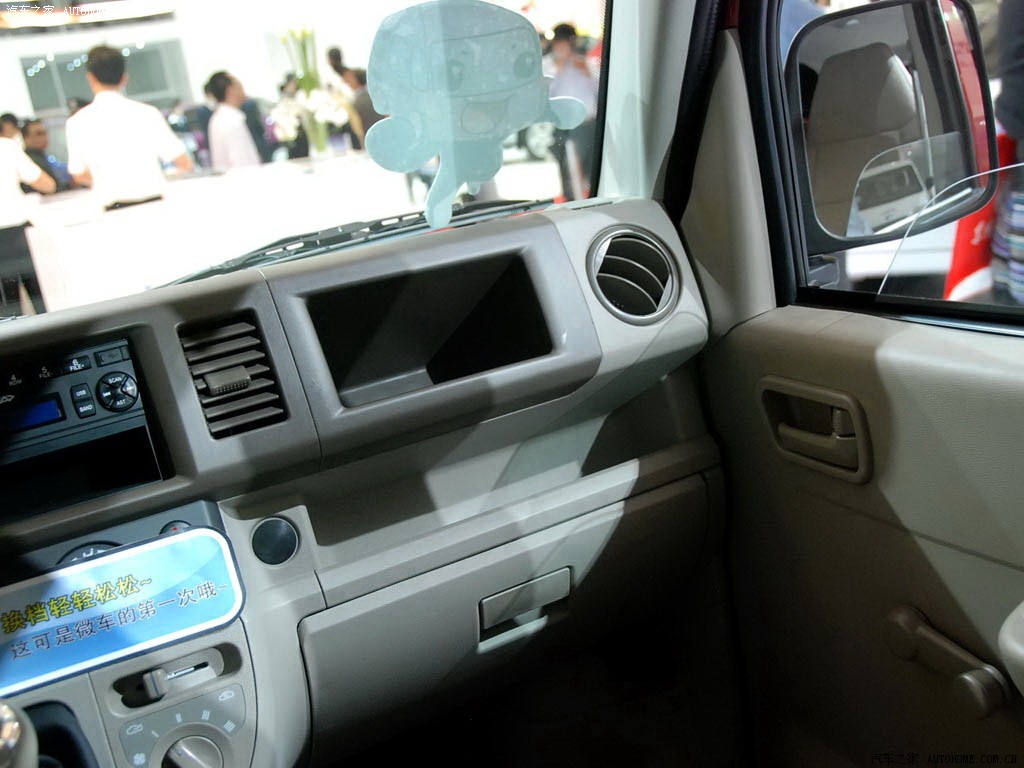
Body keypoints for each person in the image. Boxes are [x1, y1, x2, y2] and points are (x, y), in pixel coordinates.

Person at [65, 45, 192, 210]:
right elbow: (184, 163)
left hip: (113, 208)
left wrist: (107, 181)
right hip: (156, 205)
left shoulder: (76, 122)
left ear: (91, 78)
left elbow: (78, 173)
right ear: (124, 78)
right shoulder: (147, 113)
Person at [0, 132, 55, 316]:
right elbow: (46, 184)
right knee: (37, 296)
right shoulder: (6, 147)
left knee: (6, 309)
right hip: (15, 230)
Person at [544, 23, 599, 200]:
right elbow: (543, 92)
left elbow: (601, 88)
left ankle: (590, 196)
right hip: (563, 125)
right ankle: (572, 199)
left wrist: (586, 70)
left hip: (587, 123)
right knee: (568, 169)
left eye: (566, 43)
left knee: (589, 168)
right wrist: (558, 68)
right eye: (559, 43)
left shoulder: (585, 62)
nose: (563, 48)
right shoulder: (548, 64)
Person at [205, 71, 261, 171]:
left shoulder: (219, 118)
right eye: (239, 85)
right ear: (230, 90)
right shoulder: (231, 120)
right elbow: (242, 161)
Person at [20, 120, 71, 192]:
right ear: (26, 137)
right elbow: (53, 188)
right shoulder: (28, 160)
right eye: (39, 133)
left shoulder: (43, 157)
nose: (44, 136)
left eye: (45, 132)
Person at [342, 68, 383, 147]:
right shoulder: (369, 96)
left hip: (370, 141)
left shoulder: (361, 100)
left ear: (356, 80)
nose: (345, 81)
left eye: (348, 78)